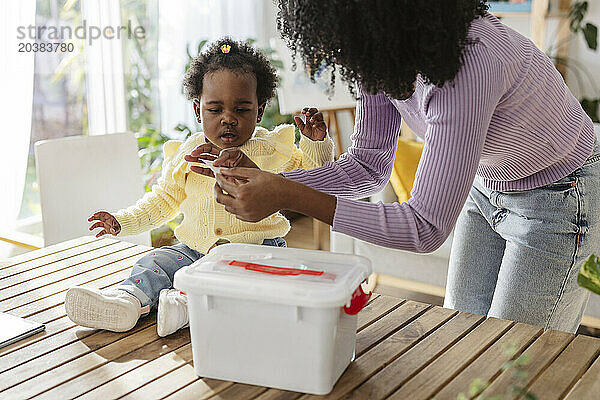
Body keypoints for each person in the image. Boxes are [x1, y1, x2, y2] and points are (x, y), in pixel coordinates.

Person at [199, 1, 600, 333]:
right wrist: (272, 183)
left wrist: (287, 194)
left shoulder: (470, 62)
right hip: (488, 184)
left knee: (515, 360)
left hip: (561, 197)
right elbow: (367, 166)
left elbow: (425, 227)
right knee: (466, 335)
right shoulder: (379, 58)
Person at [64, 38, 334, 336]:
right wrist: (123, 222)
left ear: (259, 111)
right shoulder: (188, 152)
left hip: (256, 252)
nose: (228, 118)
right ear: (198, 110)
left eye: (242, 110)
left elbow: (314, 177)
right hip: (194, 250)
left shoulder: (272, 149)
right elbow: (163, 200)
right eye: (215, 109)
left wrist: (315, 142)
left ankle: (186, 304)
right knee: (155, 261)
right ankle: (127, 301)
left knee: (242, 282)